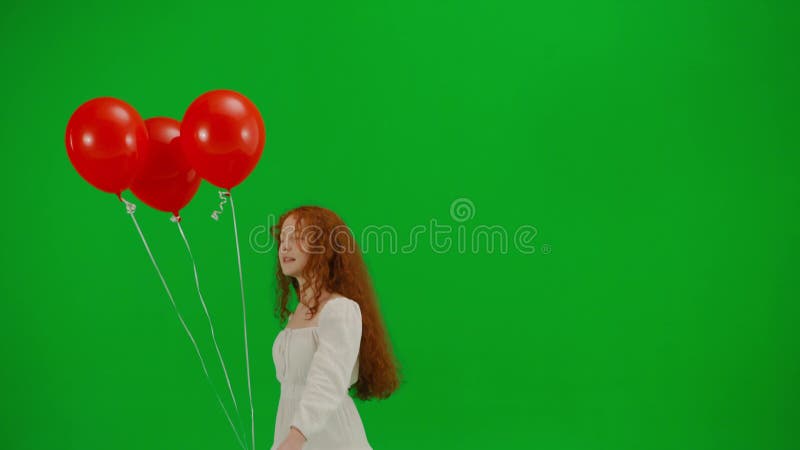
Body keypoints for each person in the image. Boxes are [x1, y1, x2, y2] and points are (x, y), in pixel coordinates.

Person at [270, 206, 401, 450]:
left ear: (323, 247)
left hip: (331, 439)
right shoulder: (295, 316)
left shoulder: (339, 310)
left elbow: (328, 379)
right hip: (293, 438)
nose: (284, 247)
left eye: (296, 237)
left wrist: (295, 438)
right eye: (282, 238)